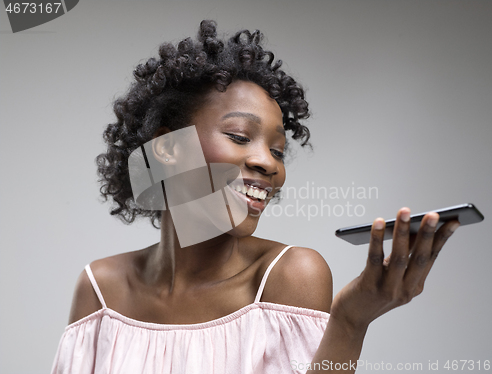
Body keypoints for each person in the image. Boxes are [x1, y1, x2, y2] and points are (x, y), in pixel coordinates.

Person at [50, 20, 460, 374]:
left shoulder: (288, 277)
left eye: (278, 151)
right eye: (239, 137)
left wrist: (350, 323)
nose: (269, 164)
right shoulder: (101, 292)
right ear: (168, 149)